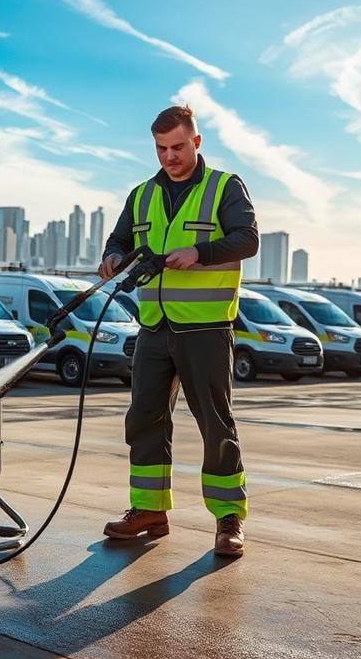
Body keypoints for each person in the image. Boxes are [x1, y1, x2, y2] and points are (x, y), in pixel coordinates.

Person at [100, 105, 258, 556]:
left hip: (206, 328)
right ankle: (149, 510)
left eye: (177, 147)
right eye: (161, 149)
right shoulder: (142, 194)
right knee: (144, 418)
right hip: (154, 326)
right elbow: (119, 241)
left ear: (197, 142)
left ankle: (229, 519)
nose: (169, 157)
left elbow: (247, 239)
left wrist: (200, 251)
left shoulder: (224, 187)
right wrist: (112, 258)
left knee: (215, 423)